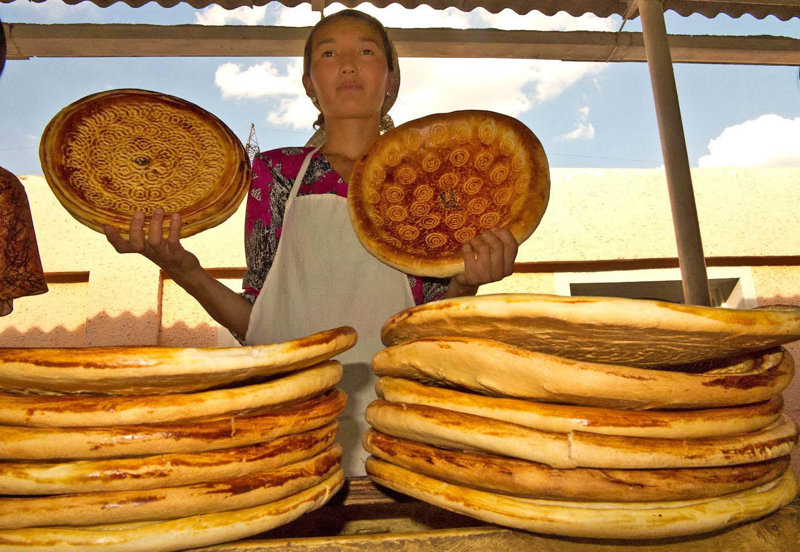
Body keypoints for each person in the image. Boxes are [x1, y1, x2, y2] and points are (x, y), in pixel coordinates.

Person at [105, 9, 518, 476]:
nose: (348, 65)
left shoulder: (429, 182)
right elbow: (257, 320)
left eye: (366, 51)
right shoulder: (276, 173)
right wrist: (181, 267)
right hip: (290, 428)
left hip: (400, 423)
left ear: (390, 79)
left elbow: (429, 329)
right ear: (308, 83)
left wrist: (467, 283)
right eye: (329, 53)